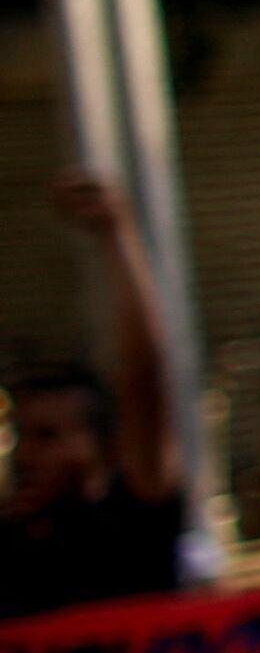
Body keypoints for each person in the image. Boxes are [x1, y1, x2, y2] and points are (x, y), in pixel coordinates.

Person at [0, 176, 186, 619]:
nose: (26, 456)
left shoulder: (131, 526)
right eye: (21, 436)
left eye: (48, 437)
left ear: (106, 449)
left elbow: (144, 378)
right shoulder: (11, 544)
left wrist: (116, 235)